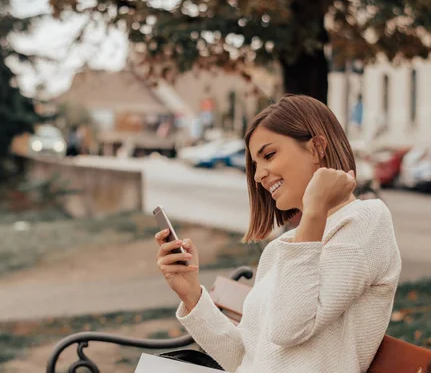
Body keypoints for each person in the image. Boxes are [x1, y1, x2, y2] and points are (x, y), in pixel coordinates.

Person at [153, 95, 402, 372]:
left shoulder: (366, 221)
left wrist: (315, 209)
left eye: (268, 155)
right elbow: (246, 358)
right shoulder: (283, 247)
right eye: (255, 164)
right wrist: (191, 295)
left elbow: (290, 327)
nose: (259, 175)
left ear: (317, 148)